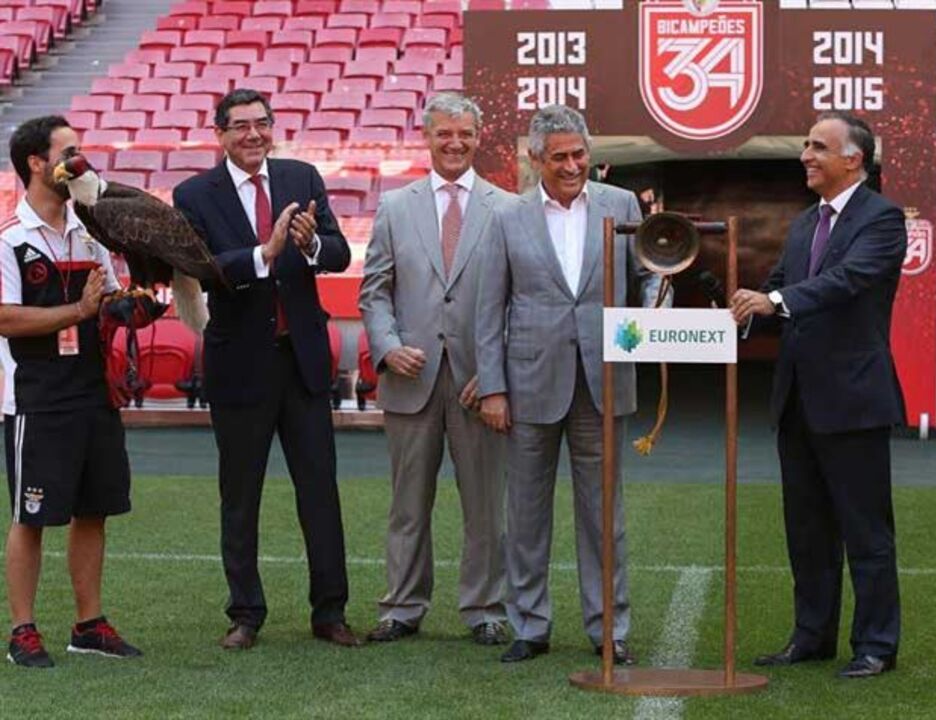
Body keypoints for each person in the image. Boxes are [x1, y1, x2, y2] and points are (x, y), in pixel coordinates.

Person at [173, 89, 358, 650]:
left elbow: (340, 253)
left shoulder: (302, 177)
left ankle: (330, 613)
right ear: (220, 134)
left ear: (272, 128)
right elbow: (202, 269)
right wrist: (266, 251)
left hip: (301, 361)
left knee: (319, 491)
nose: (253, 134)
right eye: (240, 126)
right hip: (239, 365)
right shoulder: (193, 193)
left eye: (262, 124)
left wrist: (306, 247)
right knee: (240, 494)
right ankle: (246, 614)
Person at [475, 105, 660, 664]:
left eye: (580, 154)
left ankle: (609, 628)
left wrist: (654, 313)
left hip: (605, 379)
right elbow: (489, 309)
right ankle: (530, 626)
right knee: (526, 514)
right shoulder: (507, 217)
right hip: (529, 384)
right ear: (536, 159)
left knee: (605, 515)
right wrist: (492, 388)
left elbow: (649, 275)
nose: (573, 165)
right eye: (560, 156)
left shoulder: (622, 205)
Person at [730, 111, 906, 679]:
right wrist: (745, 306)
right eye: (805, 144)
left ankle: (876, 645)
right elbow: (784, 284)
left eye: (817, 146)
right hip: (799, 399)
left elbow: (847, 281)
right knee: (806, 531)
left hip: (854, 400)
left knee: (866, 532)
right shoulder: (807, 221)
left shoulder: (882, 219)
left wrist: (774, 302)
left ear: (853, 159)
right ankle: (812, 637)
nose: (805, 154)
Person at [359, 93, 510, 645]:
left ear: (478, 137)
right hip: (409, 380)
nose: (454, 143)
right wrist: (388, 345)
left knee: (486, 506)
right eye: (444, 133)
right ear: (427, 136)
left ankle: (485, 609)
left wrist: (496, 372)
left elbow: (519, 299)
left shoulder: (507, 207)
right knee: (406, 505)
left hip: (480, 385)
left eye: (464, 134)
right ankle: (401, 607)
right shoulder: (396, 207)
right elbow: (374, 292)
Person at [1, 115, 141, 668]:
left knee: (94, 510)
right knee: (31, 516)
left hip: (92, 389)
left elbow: (105, 298)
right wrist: (78, 311)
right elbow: (6, 318)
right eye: (69, 152)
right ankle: (22, 631)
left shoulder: (91, 229)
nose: (80, 161)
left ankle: (88, 625)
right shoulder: (11, 240)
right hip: (36, 396)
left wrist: (131, 307)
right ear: (37, 163)